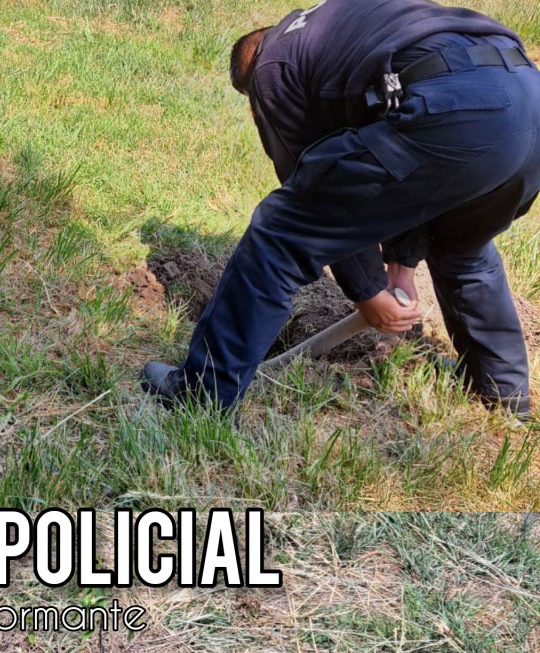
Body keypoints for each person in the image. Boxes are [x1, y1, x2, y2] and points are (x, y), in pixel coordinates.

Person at [141, 0, 540, 421]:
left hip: (456, 106)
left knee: (279, 233)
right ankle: (502, 397)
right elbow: (405, 180)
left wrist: (367, 291)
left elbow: (315, 190)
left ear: (250, 82)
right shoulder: (331, 31)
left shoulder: (271, 65)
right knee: (463, 249)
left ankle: (203, 394)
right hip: (526, 96)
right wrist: (402, 264)